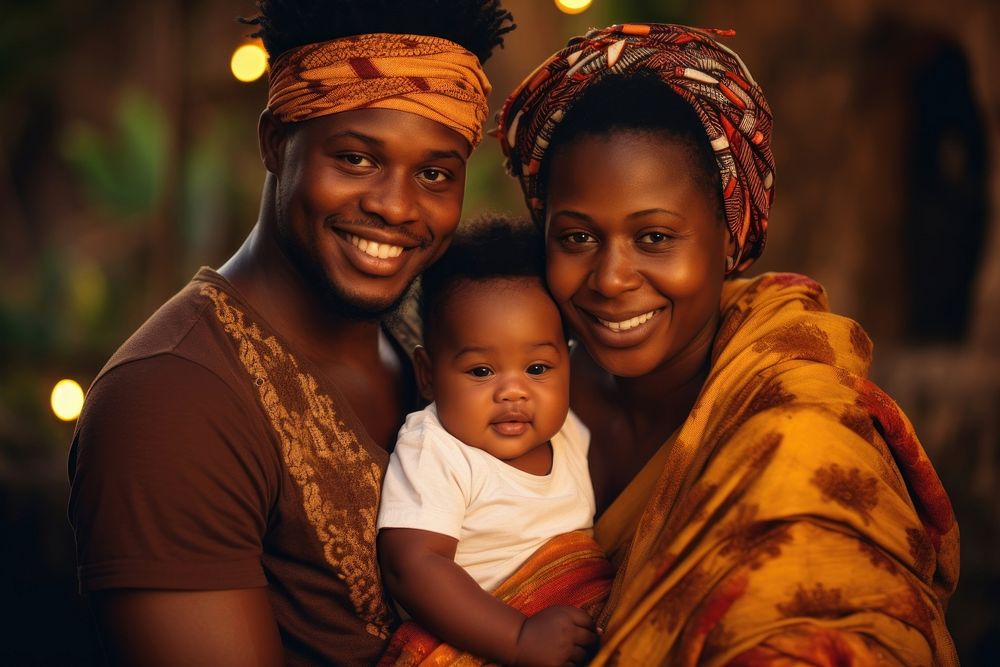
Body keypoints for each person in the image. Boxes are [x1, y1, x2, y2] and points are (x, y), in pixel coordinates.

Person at [497, 23, 960, 665]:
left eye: (655, 237)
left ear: (731, 237)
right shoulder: (513, 397)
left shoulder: (799, 428)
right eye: (576, 238)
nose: (610, 279)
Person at [66, 2, 513, 665]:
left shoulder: (431, 334)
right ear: (275, 141)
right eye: (357, 158)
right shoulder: (169, 402)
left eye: (435, 173)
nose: (395, 205)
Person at [376, 217, 604, 666]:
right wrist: (517, 637)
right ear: (428, 375)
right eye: (482, 371)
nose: (513, 391)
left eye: (537, 369)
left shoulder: (571, 433)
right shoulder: (437, 448)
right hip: (489, 638)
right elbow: (413, 565)